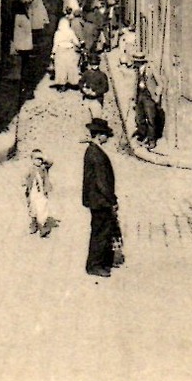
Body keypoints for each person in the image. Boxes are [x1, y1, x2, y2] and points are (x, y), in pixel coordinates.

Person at [82, 118, 119, 278]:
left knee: (101, 231)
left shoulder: (92, 150)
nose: (107, 138)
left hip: (96, 199)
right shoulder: (96, 155)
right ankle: (94, 266)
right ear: (99, 135)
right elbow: (102, 182)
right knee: (100, 233)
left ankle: (100, 262)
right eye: (105, 135)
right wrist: (112, 200)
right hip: (100, 201)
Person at [22, 149, 54, 237]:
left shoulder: (43, 168)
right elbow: (25, 177)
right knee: (33, 208)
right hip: (33, 192)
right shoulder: (30, 169)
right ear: (32, 160)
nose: (39, 161)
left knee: (42, 208)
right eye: (37, 159)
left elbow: (50, 163)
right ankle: (34, 223)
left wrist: (44, 158)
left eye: (41, 159)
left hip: (42, 193)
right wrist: (24, 182)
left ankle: (42, 227)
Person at [134, 61, 162, 150]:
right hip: (140, 95)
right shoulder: (138, 70)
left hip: (149, 97)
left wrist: (157, 96)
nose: (136, 64)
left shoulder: (151, 69)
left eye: (138, 62)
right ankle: (143, 135)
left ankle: (152, 140)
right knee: (139, 118)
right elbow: (136, 84)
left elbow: (160, 84)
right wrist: (134, 97)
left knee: (151, 119)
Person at [51, 12, 82, 91]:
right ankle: (73, 82)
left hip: (60, 51)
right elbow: (76, 41)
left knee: (61, 68)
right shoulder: (70, 32)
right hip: (70, 50)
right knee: (71, 67)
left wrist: (53, 53)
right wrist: (79, 45)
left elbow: (55, 44)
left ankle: (62, 84)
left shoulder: (58, 33)